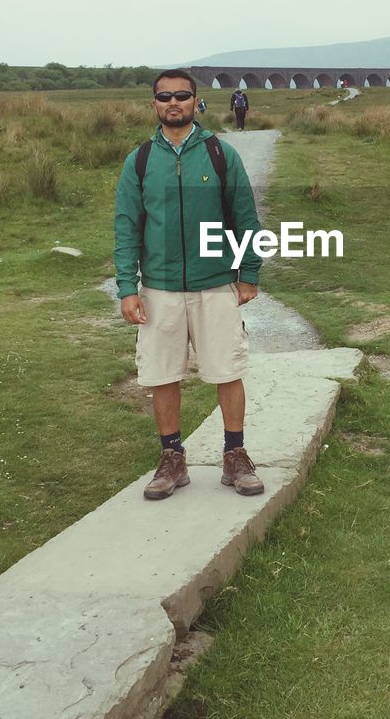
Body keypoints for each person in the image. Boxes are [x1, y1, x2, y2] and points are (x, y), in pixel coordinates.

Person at [113, 68, 266, 501]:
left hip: (215, 284)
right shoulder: (140, 160)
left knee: (227, 371)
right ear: (154, 105)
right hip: (159, 288)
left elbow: (245, 218)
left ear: (197, 102)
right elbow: (127, 227)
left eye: (182, 95)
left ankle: (235, 455)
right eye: (165, 97)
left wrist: (248, 274)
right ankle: (172, 458)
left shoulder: (220, 154)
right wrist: (128, 287)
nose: (173, 103)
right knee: (163, 374)